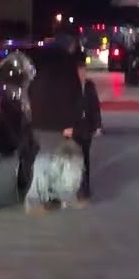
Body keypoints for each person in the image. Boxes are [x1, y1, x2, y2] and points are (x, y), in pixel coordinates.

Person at [24, 40, 86, 213]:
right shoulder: (66, 70)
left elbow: (32, 96)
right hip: (55, 124)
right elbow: (72, 97)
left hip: (40, 123)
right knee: (50, 158)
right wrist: (70, 123)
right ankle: (36, 200)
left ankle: (61, 196)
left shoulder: (41, 70)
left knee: (60, 157)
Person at [73, 52, 103, 201]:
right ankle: (74, 186)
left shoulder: (90, 86)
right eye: (80, 70)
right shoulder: (69, 87)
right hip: (73, 128)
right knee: (74, 158)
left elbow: (95, 106)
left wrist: (97, 125)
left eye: (84, 70)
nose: (83, 73)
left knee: (85, 158)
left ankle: (85, 188)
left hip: (86, 128)